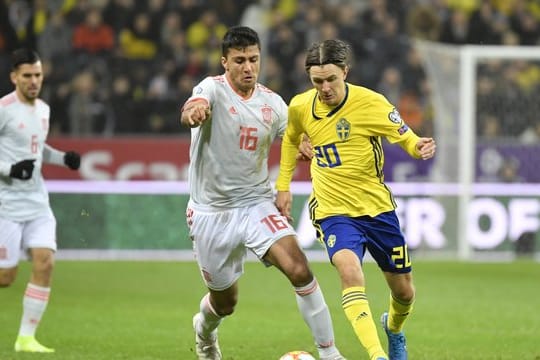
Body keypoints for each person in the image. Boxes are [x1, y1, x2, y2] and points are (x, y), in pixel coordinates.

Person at [180, 26, 345, 360]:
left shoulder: (272, 103)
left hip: (256, 203)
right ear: (224, 62)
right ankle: (204, 331)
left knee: (299, 269)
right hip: (211, 213)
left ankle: (330, 354)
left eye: (253, 59)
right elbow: (192, 106)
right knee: (225, 304)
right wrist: (193, 113)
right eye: (239, 60)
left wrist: (307, 147)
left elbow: (297, 137)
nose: (248, 67)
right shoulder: (211, 89)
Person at [275, 39, 437, 360]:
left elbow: (403, 135)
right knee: (350, 272)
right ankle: (377, 355)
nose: (324, 87)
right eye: (317, 81)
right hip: (332, 210)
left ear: (345, 72)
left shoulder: (371, 103)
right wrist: (284, 185)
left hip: (377, 209)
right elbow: (291, 138)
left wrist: (417, 146)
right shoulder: (299, 107)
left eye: (331, 79)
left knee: (404, 291)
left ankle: (393, 328)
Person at [0, 48, 81, 353]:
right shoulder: (3, 109)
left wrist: (63, 158)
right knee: (5, 277)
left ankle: (25, 339)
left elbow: (36, 147)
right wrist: (9, 169)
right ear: (14, 77)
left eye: (38, 75)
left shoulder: (43, 110)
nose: (34, 81)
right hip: (6, 204)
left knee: (45, 263)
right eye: (27, 76)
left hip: (37, 201)